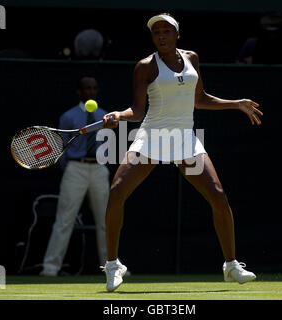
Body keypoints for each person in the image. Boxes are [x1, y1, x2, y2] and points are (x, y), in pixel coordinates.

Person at [101, 13, 263, 292]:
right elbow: (138, 111)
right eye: (156, 33)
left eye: (166, 31)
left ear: (177, 35)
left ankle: (231, 265)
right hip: (151, 138)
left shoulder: (192, 59)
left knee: (218, 196)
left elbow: (200, 99)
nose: (161, 36)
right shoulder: (145, 67)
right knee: (117, 191)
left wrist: (235, 104)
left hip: (185, 140)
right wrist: (119, 114)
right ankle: (114, 265)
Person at [40, 76, 109, 276]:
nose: (91, 91)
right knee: (64, 219)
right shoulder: (68, 116)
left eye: (94, 88)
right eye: (87, 88)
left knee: (106, 220)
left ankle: (111, 267)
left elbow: (107, 147)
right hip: (75, 169)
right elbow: (61, 148)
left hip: (98, 169)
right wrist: (71, 167)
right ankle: (50, 267)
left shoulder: (105, 116)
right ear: (79, 92)